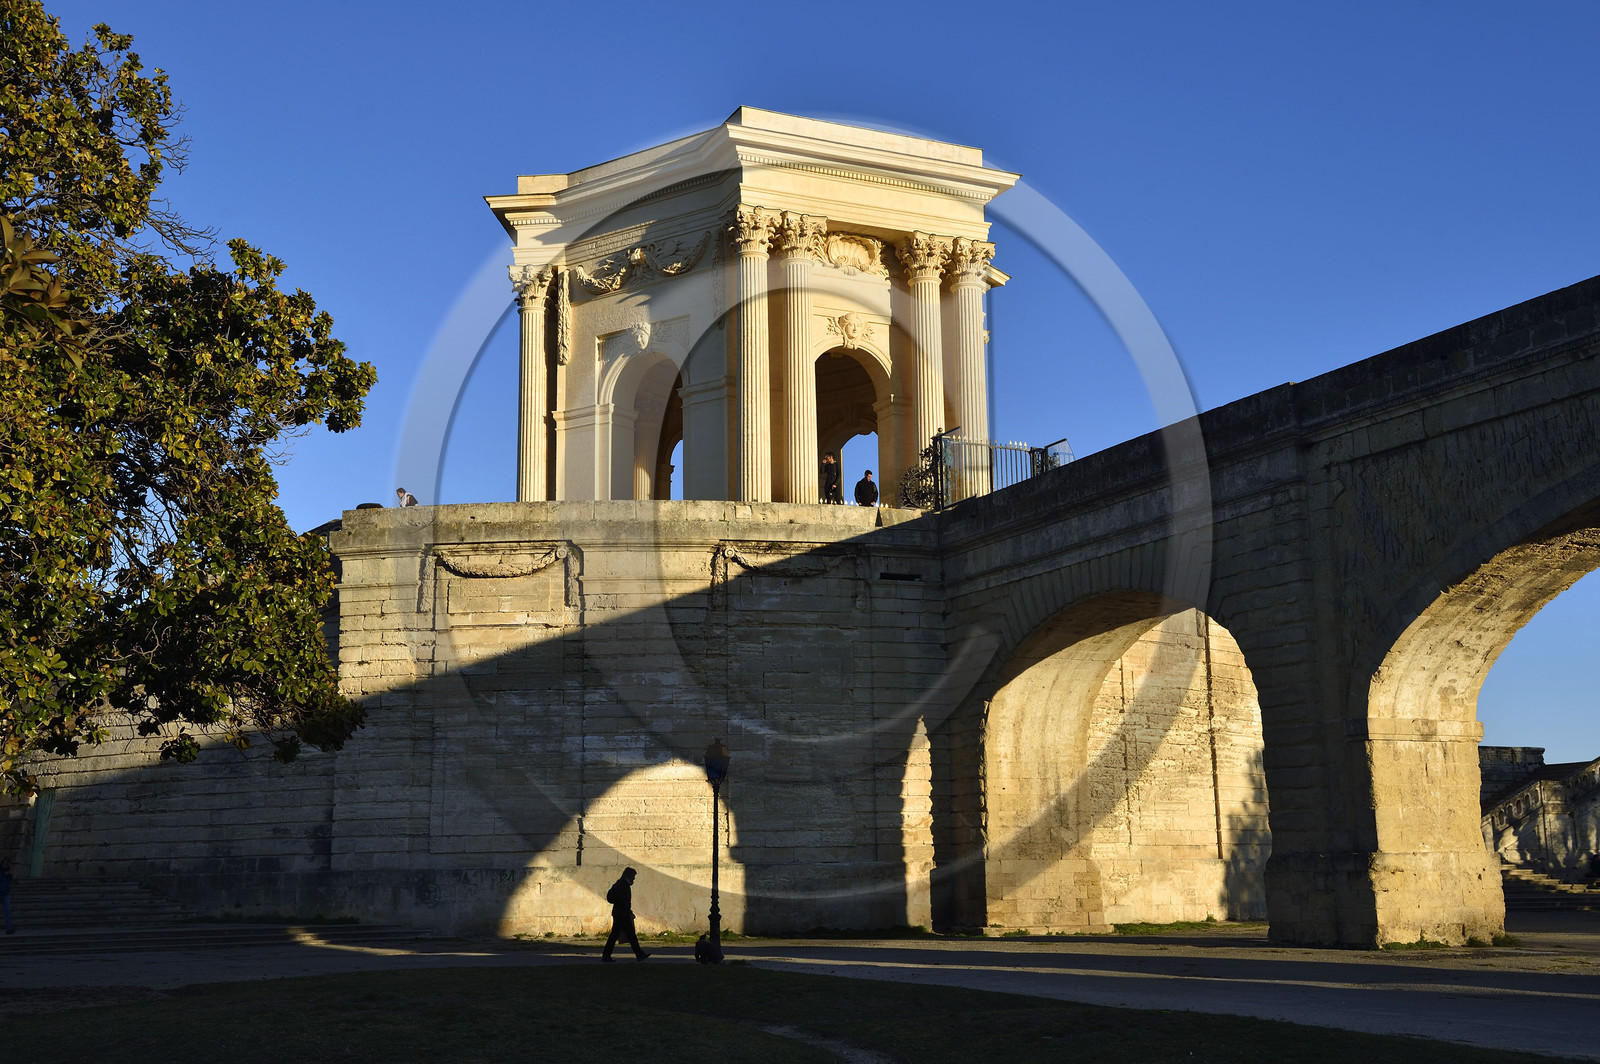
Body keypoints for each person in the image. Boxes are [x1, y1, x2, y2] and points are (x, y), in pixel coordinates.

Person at [601, 866, 650, 962]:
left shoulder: (620, 884)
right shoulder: (623, 886)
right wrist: (629, 912)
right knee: (629, 935)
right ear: (629, 876)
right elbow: (623, 902)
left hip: (620, 913)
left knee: (619, 935)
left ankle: (607, 955)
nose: (634, 879)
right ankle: (638, 954)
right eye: (633, 877)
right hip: (622, 914)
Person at [0, 858, 14, 934]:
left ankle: (9, 929)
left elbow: (9, 882)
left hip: (5, 894)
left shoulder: (8, 871)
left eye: (8, 863)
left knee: (8, 910)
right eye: (5, 863)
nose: (6, 865)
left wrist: (10, 876)